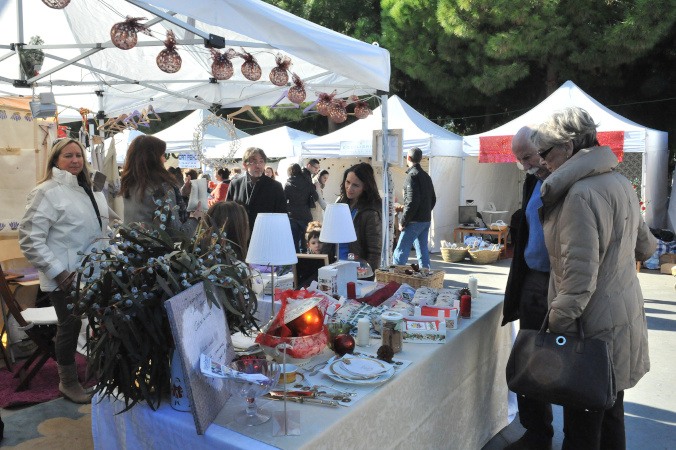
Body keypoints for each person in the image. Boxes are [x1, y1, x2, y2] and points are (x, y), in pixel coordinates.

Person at [533, 107, 656, 449]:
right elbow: (646, 247)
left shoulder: (578, 195)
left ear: (568, 147)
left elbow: (577, 283)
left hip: (590, 332)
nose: (543, 162)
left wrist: (552, 328)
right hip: (621, 318)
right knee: (611, 414)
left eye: (546, 153)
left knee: (583, 429)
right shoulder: (619, 182)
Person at [18, 138, 110, 404]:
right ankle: (67, 382)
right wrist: (59, 273)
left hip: (95, 272)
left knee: (95, 324)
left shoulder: (87, 188)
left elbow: (97, 225)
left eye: (78, 155)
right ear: (55, 160)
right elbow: (29, 238)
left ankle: (99, 370)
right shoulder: (46, 192)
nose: (75, 160)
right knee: (69, 327)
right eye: (67, 156)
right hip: (66, 277)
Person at [502, 126, 554, 450]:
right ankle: (537, 433)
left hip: (559, 283)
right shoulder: (534, 178)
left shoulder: (566, 180)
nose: (524, 165)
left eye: (527, 157)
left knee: (562, 361)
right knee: (528, 361)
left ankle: (553, 436)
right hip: (534, 279)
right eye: (519, 159)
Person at [120, 135, 199, 236]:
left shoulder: (128, 183)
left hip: (132, 247)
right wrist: (195, 218)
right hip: (156, 249)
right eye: (163, 155)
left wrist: (181, 195)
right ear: (153, 159)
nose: (165, 160)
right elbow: (177, 234)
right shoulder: (162, 187)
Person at [322, 162, 382, 274]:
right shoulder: (341, 202)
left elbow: (375, 252)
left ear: (365, 186)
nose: (349, 188)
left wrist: (365, 276)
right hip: (333, 267)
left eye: (356, 185)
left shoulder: (370, 211)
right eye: (348, 182)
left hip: (355, 271)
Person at [392, 147, 436, 269]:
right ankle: (426, 277)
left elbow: (411, 202)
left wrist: (403, 222)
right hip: (425, 220)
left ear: (408, 158)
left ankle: (395, 279)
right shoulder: (426, 176)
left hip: (414, 221)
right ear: (421, 159)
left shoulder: (411, 176)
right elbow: (433, 199)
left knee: (400, 253)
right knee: (423, 253)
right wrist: (425, 212)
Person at [225, 147, 286, 231]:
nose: (258, 165)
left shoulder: (275, 186)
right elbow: (227, 213)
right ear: (245, 165)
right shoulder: (235, 185)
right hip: (240, 234)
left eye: (261, 161)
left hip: (266, 233)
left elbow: (282, 215)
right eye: (254, 162)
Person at [284, 163, 319, 253]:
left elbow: (284, 199)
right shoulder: (307, 182)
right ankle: (305, 261)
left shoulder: (288, 184)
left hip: (293, 215)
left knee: (294, 241)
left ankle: (296, 263)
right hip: (305, 214)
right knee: (305, 241)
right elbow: (315, 197)